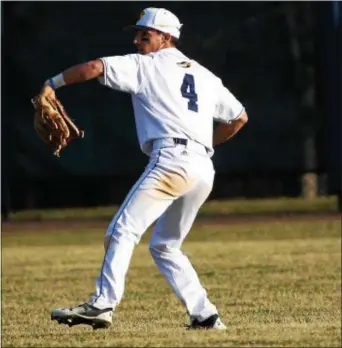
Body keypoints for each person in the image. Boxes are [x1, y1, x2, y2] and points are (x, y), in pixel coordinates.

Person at [49, 7, 248, 330]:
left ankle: (103, 304)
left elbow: (92, 67)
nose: (137, 39)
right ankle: (206, 315)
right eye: (137, 33)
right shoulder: (205, 75)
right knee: (165, 246)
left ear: (166, 37)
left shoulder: (145, 65)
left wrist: (51, 83)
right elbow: (239, 117)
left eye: (145, 34)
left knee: (121, 231)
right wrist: (201, 142)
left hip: (172, 160)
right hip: (202, 167)